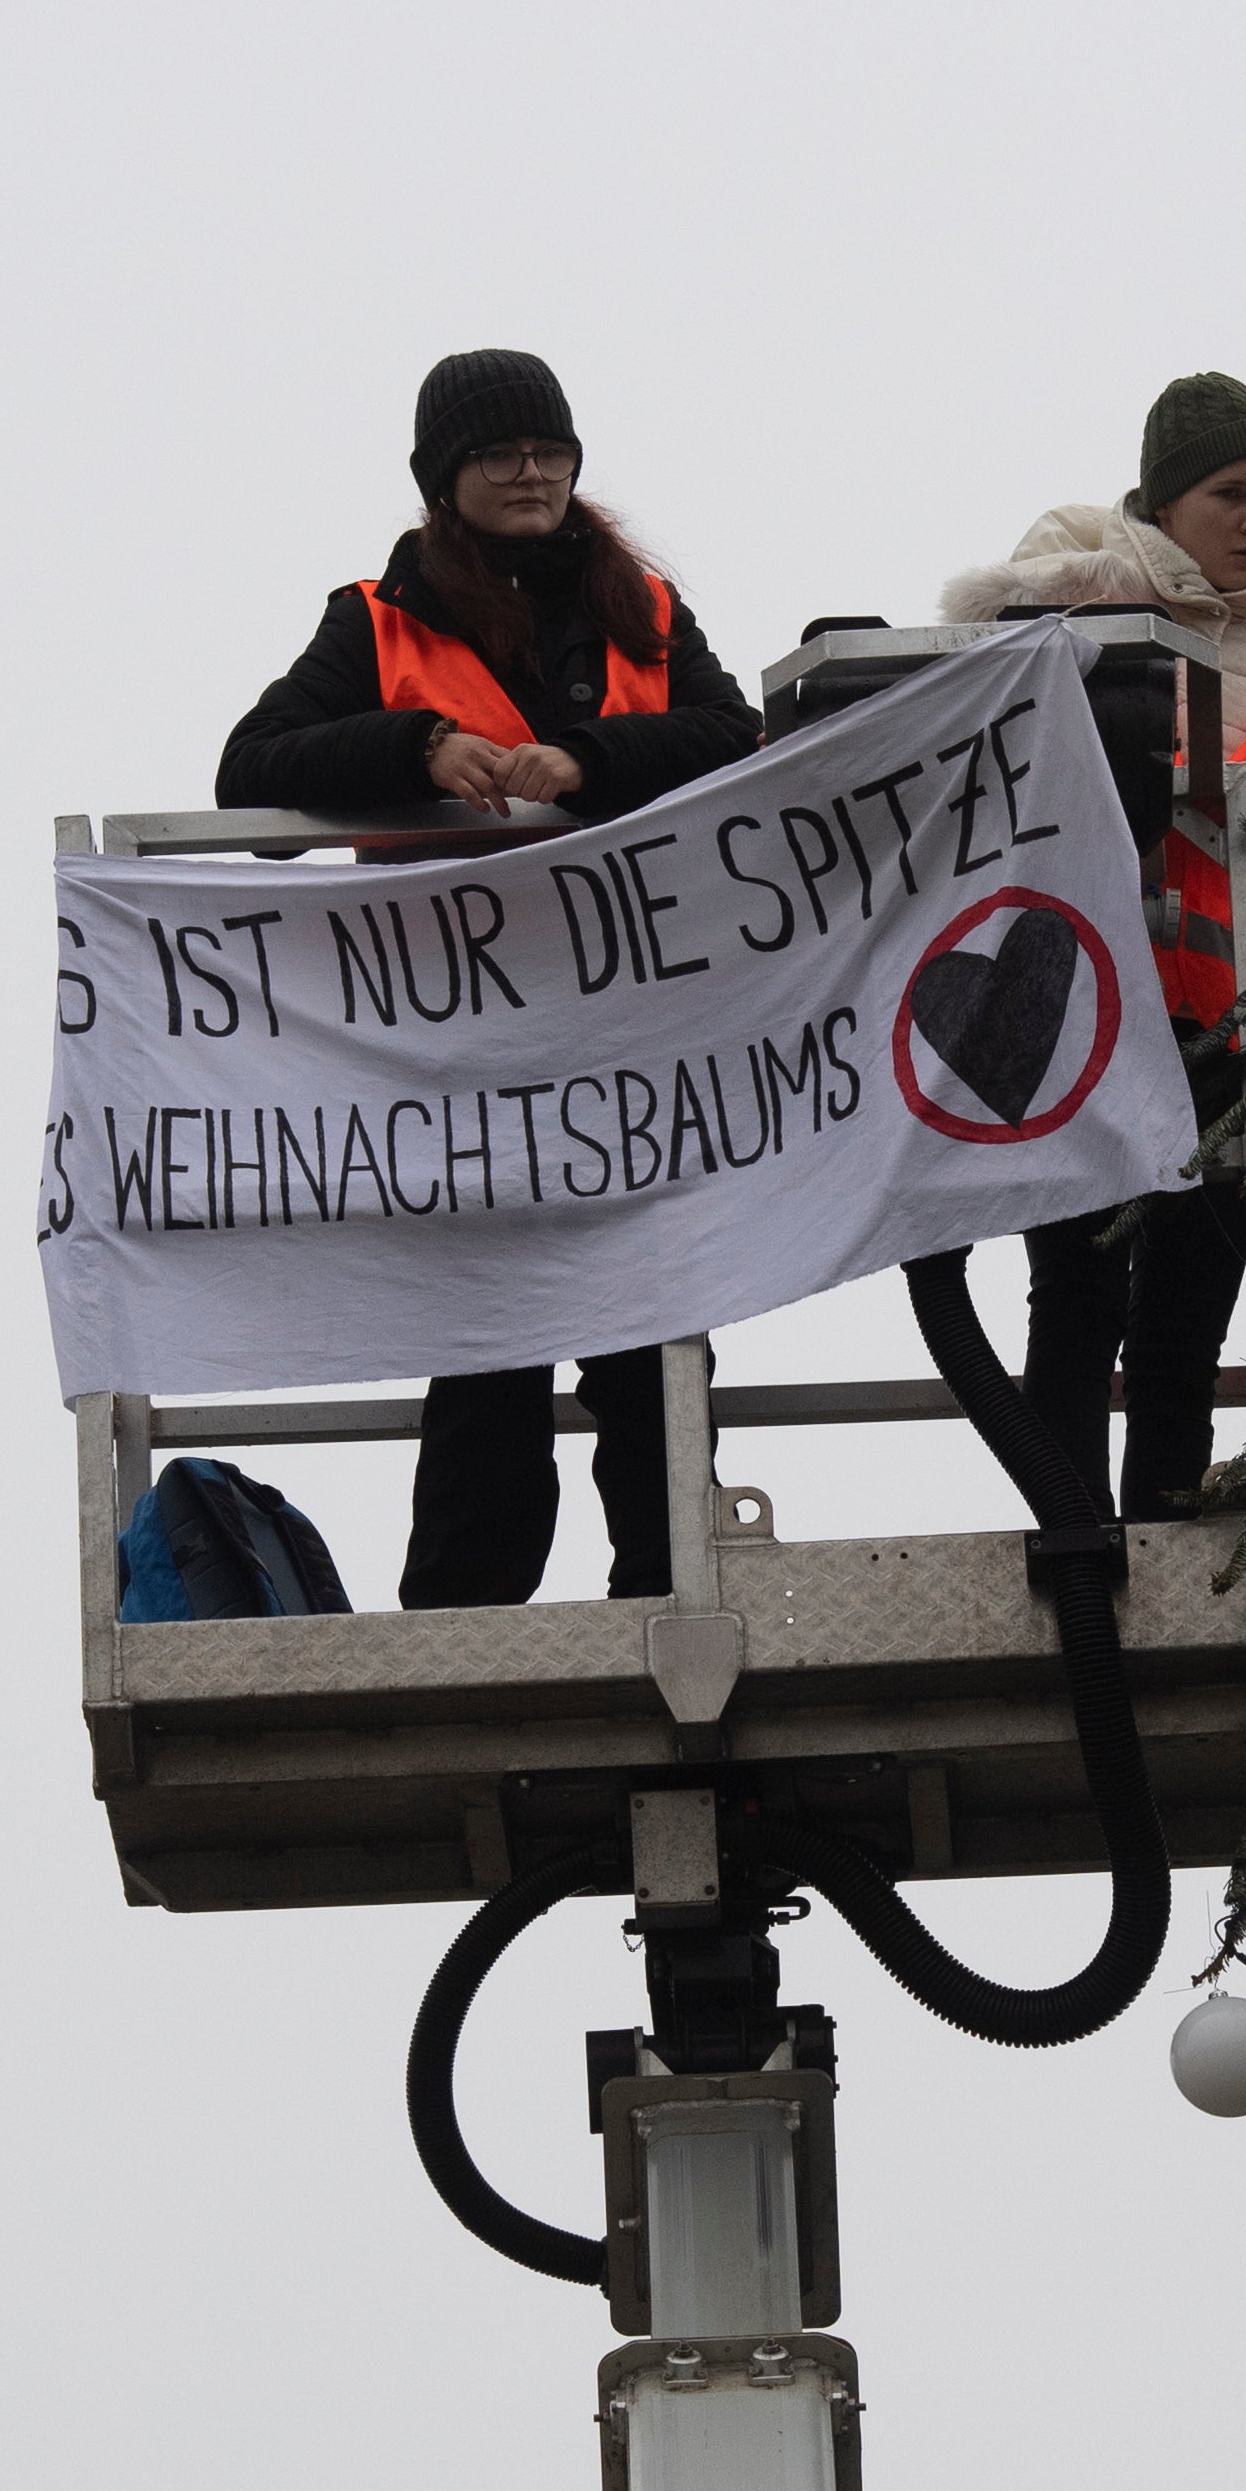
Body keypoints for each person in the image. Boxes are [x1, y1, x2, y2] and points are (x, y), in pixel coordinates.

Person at [219, 349, 758, 1607]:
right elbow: (255, 768)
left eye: (550, 451)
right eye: (500, 454)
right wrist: (422, 744)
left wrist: (583, 758)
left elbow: (739, 743)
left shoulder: (651, 612)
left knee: (654, 1348)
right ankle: (460, 1621)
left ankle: (677, 1602)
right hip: (457, 1050)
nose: (531, 473)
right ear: (443, 480)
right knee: (487, 1355)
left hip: (631, 1037)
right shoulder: (375, 618)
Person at [933, 370, 1246, 1521]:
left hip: (1223, 1026)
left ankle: (1169, 1521)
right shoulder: (1047, 624)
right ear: (1164, 500)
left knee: (1194, 1294)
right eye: (1232, 492)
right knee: (1076, 1290)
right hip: (1074, 1009)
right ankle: (1071, 1533)